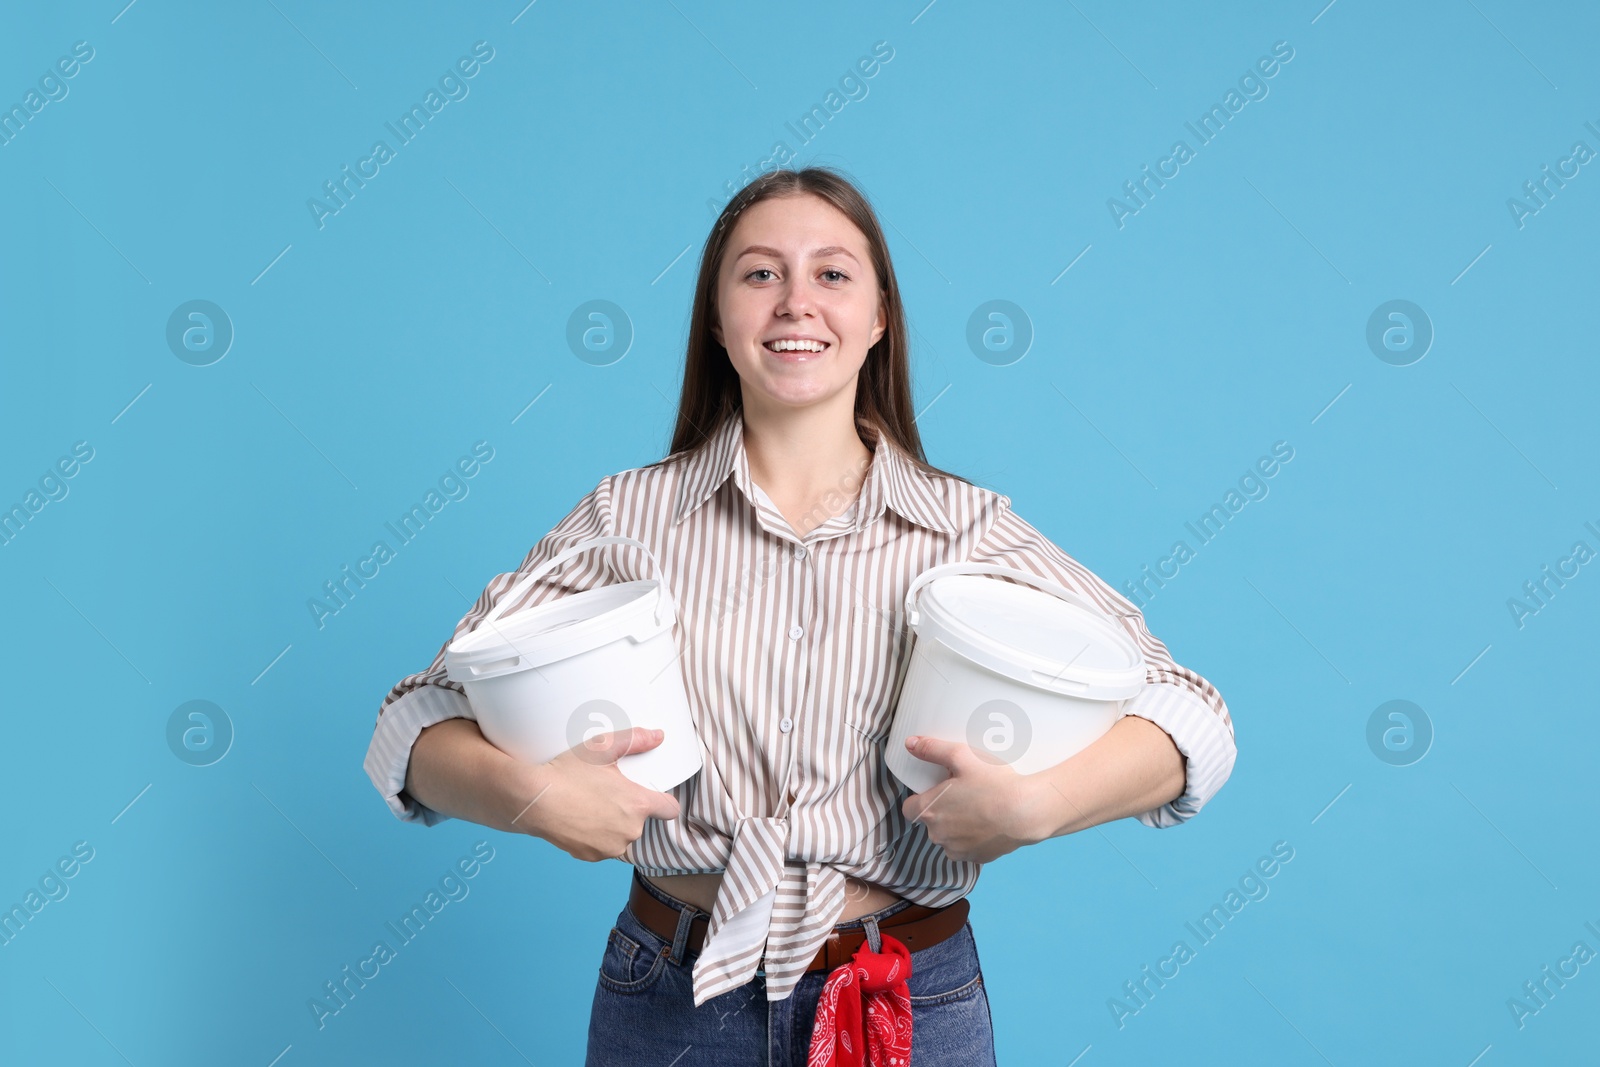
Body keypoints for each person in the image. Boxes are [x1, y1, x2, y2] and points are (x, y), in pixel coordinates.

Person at [364, 167, 1237, 1065]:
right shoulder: (625, 520)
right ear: (716, 318)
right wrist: (529, 794)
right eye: (759, 273)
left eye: (831, 273)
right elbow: (410, 726)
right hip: (670, 998)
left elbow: (1190, 715)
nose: (795, 303)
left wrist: (1040, 804)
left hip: (904, 998)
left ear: (881, 317)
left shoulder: (966, 532)